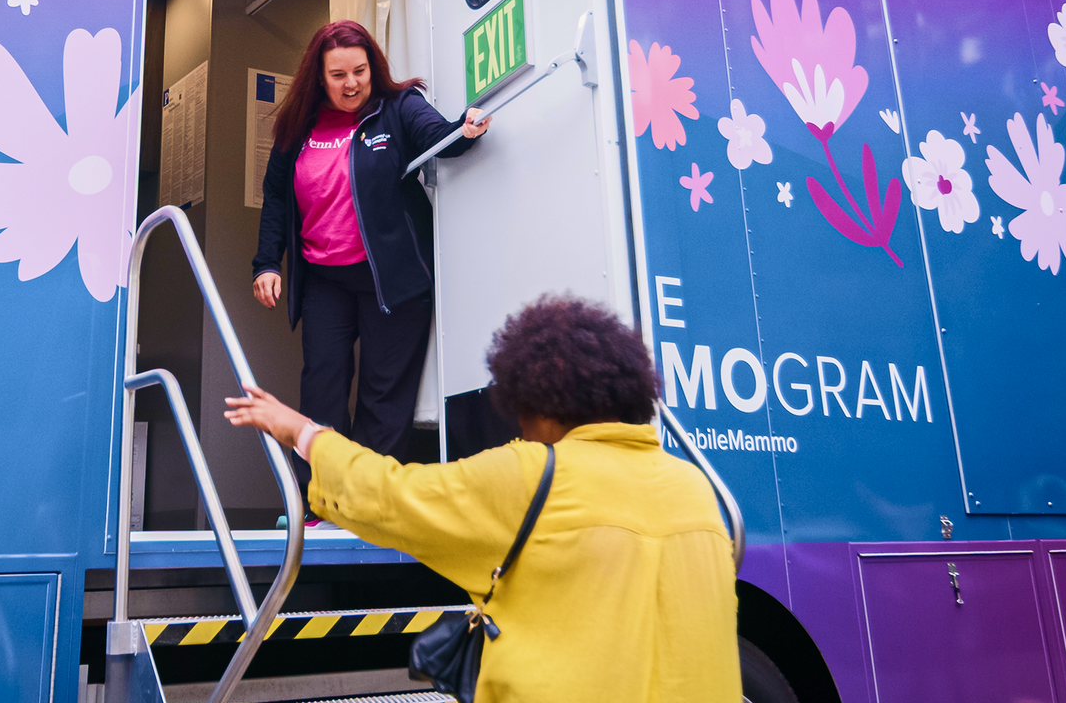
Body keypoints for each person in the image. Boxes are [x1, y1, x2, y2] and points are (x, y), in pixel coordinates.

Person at [224, 295, 740, 703]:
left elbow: (390, 496)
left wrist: (303, 432)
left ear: (541, 400)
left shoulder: (531, 475)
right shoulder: (694, 488)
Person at [252, 20, 490, 494]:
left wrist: (465, 130)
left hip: (392, 277)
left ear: (372, 66)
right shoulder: (297, 128)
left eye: (359, 71)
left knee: (385, 399)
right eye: (338, 75)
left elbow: (436, 137)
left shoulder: (399, 107)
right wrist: (265, 263)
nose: (351, 84)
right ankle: (320, 502)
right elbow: (276, 197)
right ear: (318, 77)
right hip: (324, 280)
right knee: (323, 389)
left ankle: (368, 504)